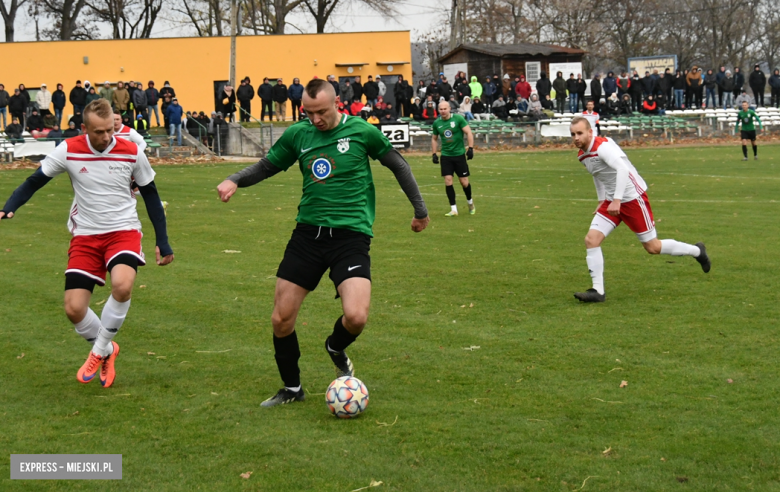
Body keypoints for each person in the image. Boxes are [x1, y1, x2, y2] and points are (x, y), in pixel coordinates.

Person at [215, 79, 429, 407]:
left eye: (321, 112)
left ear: (336, 105)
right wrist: (234, 179)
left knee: (356, 316)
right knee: (281, 318)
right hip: (308, 236)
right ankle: (292, 388)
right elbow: (266, 166)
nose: (315, 119)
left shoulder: (361, 131)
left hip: (351, 237)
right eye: (309, 112)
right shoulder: (298, 135)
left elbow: (398, 164)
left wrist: (420, 210)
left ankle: (335, 345)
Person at [0, 98, 173, 387]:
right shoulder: (69, 149)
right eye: (99, 132)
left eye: (109, 130)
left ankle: (97, 351)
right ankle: (108, 350)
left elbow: (152, 195)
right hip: (86, 236)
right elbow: (35, 180)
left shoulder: (131, 151)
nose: (106, 137)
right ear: (84, 129)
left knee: (123, 285)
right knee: (74, 309)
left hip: (123, 230)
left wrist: (163, 241)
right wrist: (10, 205)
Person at [568, 116, 710, 303]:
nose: (576, 137)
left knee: (652, 247)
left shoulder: (602, 148)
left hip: (632, 198)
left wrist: (617, 200)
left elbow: (623, 170)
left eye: (579, 133)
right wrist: (603, 199)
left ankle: (697, 251)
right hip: (612, 201)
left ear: (590, 132)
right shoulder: (582, 154)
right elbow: (598, 174)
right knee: (591, 240)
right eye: (573, 134)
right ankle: (598, 291)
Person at [431, 100, 475, 217]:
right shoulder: (437, 123)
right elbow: (434, 139)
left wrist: (470, 148)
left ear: (450, 109)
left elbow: (469, 133)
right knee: (448, 181)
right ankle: (453, 209)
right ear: (438, 110)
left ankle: (470, 202)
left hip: (459, 155)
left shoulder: (458, 119)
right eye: (441, 109)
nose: (443, 111)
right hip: (446, 156)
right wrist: (434, 154)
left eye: (445, 109)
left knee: (464, 182)